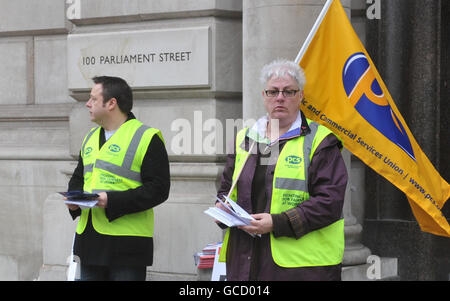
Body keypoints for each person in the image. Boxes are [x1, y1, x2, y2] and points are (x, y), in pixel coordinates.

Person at [215, 59, 348, 281]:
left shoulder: (321, 141)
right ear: (264, 96)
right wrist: (222, 208)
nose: (280, 97)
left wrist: (276, 223)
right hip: (246, 259)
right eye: (273, 91)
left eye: (288, 91)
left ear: (301, 96)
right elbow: (227, 188)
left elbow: (330, 201)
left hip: (302, 267)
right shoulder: (246, 138)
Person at [66, 76, 170, 281]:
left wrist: (110, 200)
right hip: (89, 242)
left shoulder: (147, 136)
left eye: (93, 99)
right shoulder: (89, 137)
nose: (87, 104)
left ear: (111, 103)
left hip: (126, 246)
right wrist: (73, 202)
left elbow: (158, 190)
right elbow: (79, 178)